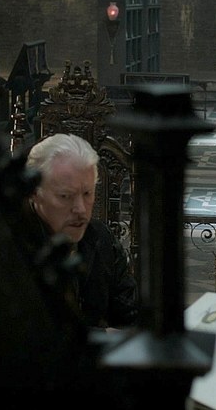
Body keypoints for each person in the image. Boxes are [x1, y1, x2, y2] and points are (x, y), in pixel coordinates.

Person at [24, 132, 138, 331]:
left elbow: (131, 315)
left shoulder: (100, 238)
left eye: (87, 193)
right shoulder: (13, 244)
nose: (81, 209)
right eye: (65, 196)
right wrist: (103, 335)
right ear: (34, 193)